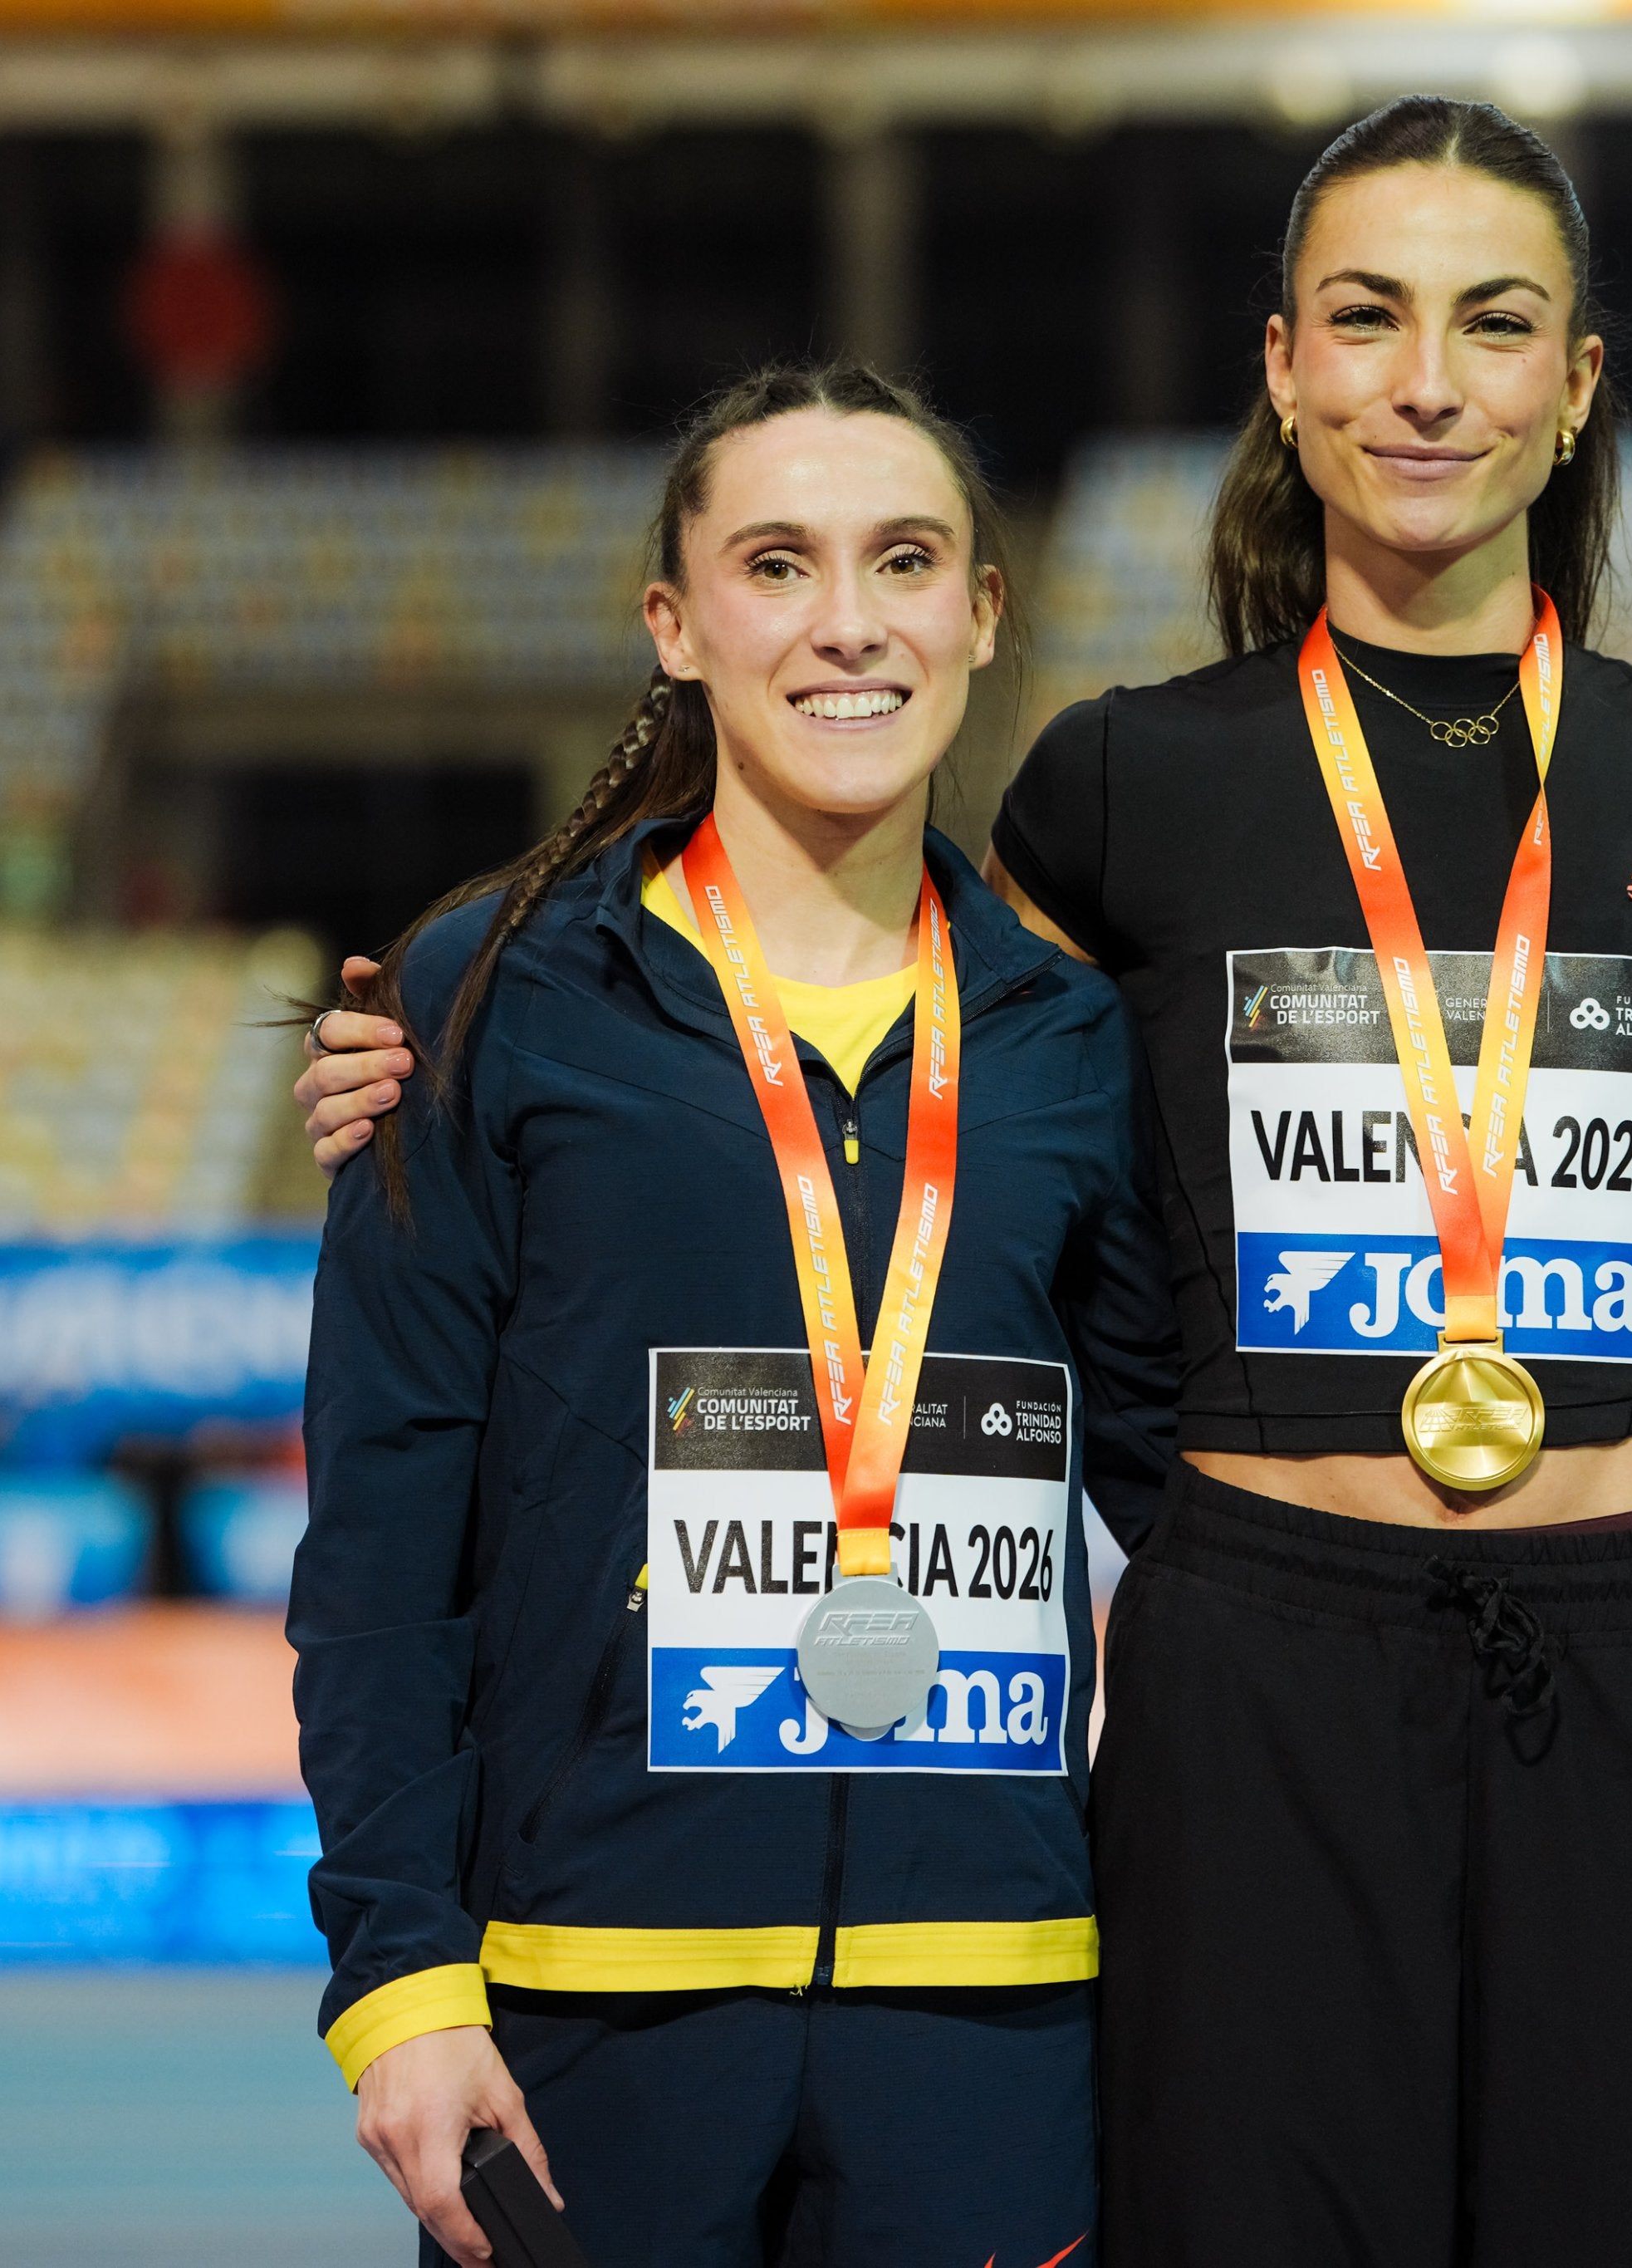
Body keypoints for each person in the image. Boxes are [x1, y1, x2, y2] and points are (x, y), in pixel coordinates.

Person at [301, 100, 1632, 2268]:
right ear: (1280, 366)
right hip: (971, 1807)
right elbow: (405, 1515)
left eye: (1497, 326)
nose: (1429, 377)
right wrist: (402, 1963)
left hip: (1419, 1760)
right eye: (1368, 320)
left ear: (1580, 387)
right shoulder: (1072, 817)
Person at [295, 361, 1175, 2268]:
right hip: (585, 2001)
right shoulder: (493, 994)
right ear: (675, 626)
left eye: (904, 559)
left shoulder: (1068, 1033)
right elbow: (380, 1544)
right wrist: (404, 1981)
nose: (847, 620)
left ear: (980, 613)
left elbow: (1196, 1486)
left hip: (992, 2010)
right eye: (776, 565)